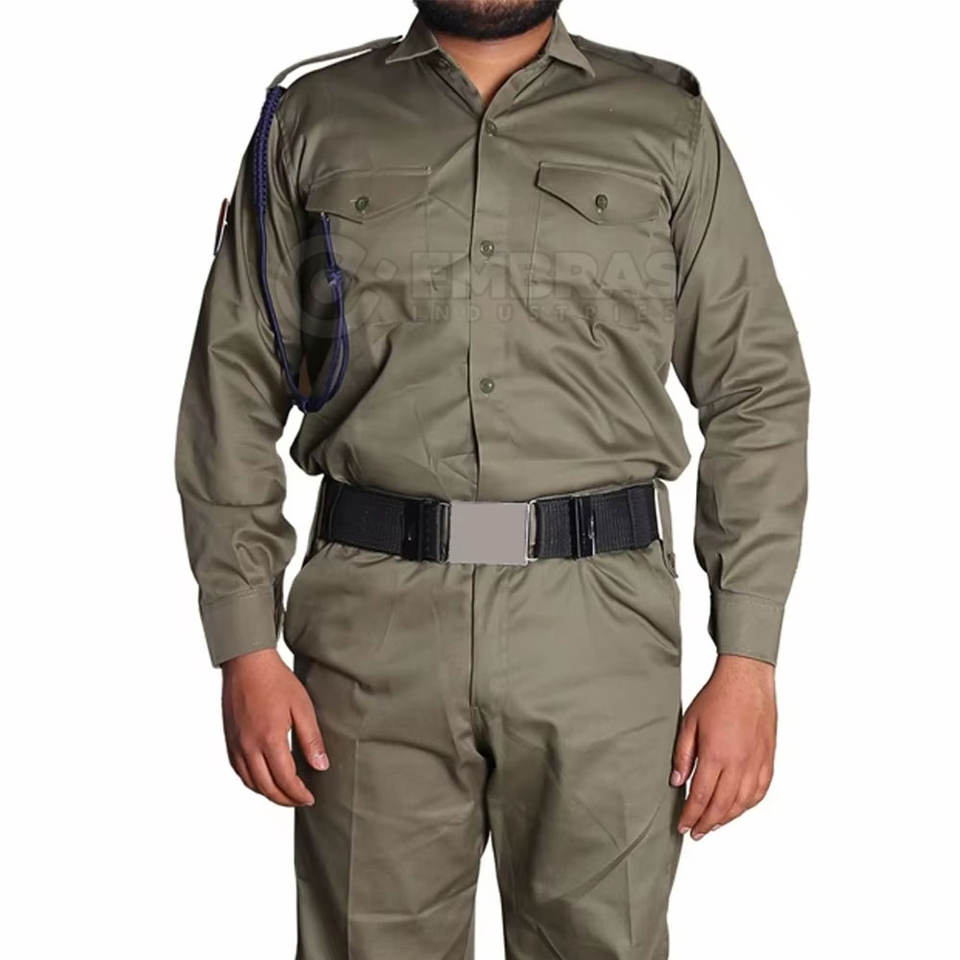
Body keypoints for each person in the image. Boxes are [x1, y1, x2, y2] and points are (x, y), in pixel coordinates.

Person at [175, 1, 809, 957]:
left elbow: (756, 389)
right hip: (371, 630)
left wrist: (749, 659)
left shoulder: (665, 123)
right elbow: (232, 385)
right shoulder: (314, 119)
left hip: (598, 634)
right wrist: (244, 645)